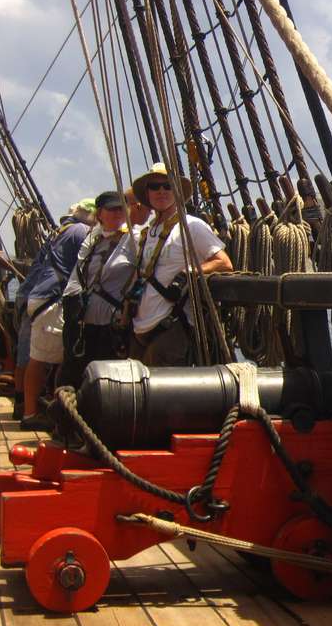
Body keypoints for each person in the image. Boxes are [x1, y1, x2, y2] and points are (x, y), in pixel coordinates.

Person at [118, 163, 231, 366]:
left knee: (159, 395)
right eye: (154, 186)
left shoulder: (191, 226)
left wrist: (189, 272)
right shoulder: (147, 232)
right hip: (138, 329)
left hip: (170, 327)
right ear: (147, 193)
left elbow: (223, 263)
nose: (161, 190)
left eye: (168, 185)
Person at [15, 207, 91, 429]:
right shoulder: (80, 231)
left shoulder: (62, 230)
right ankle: (33, 414)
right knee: (54, 360)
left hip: (37, 295)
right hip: (52, 300)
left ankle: (24, 405)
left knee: (33, 356)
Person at [57, 191, 133, 388]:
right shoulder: (93, 238)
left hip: (110, 325)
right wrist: (72, 311)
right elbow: (77, 276)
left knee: (105, 380)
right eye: (112, 209)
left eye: (121, 209)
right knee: (75, 374)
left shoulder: (133, 240)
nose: (118, 213)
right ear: (100, 213)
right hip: (83, 323)